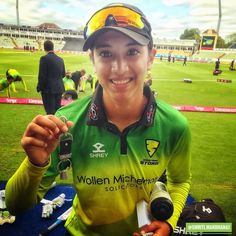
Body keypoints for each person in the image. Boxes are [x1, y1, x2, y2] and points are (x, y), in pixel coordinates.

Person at [5, 3, 191, 236]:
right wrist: (34, 164)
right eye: (105, 53)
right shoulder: (65, 123)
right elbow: (15, 205)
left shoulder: (175, 125)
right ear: (92, 58)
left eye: (132, 51)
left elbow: (180, 181)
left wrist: (169, 221)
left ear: (150, 57)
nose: (119, 68)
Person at [37, 40, 66, 114]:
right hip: (59, 88)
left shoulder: (44, 58)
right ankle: (58, 125)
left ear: (44, 48)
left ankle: (53, 125)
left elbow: (42, 75)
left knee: (50, 112)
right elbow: (63, 74)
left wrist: (39, 87)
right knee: (57, 111)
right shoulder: (60, 59)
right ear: (53, 48)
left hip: (48, 90)